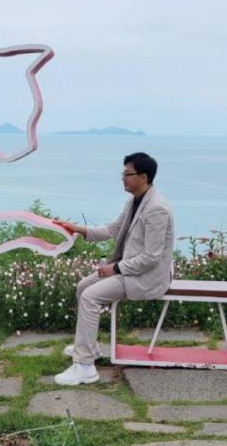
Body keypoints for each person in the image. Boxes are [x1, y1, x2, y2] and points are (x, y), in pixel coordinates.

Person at [51, 152, 174, 385]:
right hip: (130, 270)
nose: (123, 178)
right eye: (123, 173)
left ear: (143, 177)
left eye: (127, 174)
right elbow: (112, 229)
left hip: (145, 276)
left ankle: (84, 366)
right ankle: (89, 348)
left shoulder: (157, 209)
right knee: (83, 287)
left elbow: (151, 257)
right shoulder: (134, 201)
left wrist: (116, 268)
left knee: (90, 296)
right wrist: (76, 228)